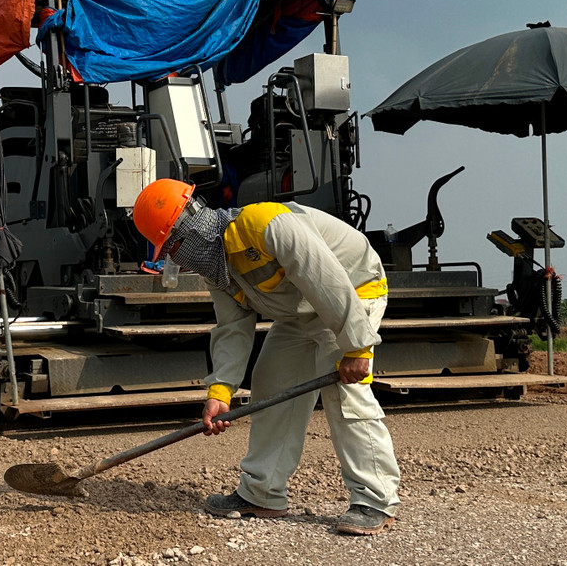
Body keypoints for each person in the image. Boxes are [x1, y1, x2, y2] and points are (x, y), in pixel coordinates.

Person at [132, 179, 401, 536]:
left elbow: (328, 281)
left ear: (191, 231)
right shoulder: (219, 267)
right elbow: (231, 328)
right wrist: (220, 393)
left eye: (173, 247)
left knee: (344, 395)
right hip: (303, 313)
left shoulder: (267, 225)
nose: (175, 258)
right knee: (271, 384)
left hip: (353, 293)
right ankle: (262, 492)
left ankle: (375, 501)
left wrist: (355, 346)